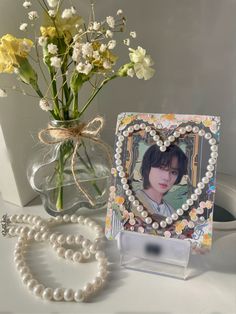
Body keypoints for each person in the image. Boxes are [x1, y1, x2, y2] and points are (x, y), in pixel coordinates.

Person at [135, 143, 188, 220]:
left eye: (173, 172)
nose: (167, 177)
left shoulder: (171, 212)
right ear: (148, 167)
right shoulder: (133, 201)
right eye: (161, 168)